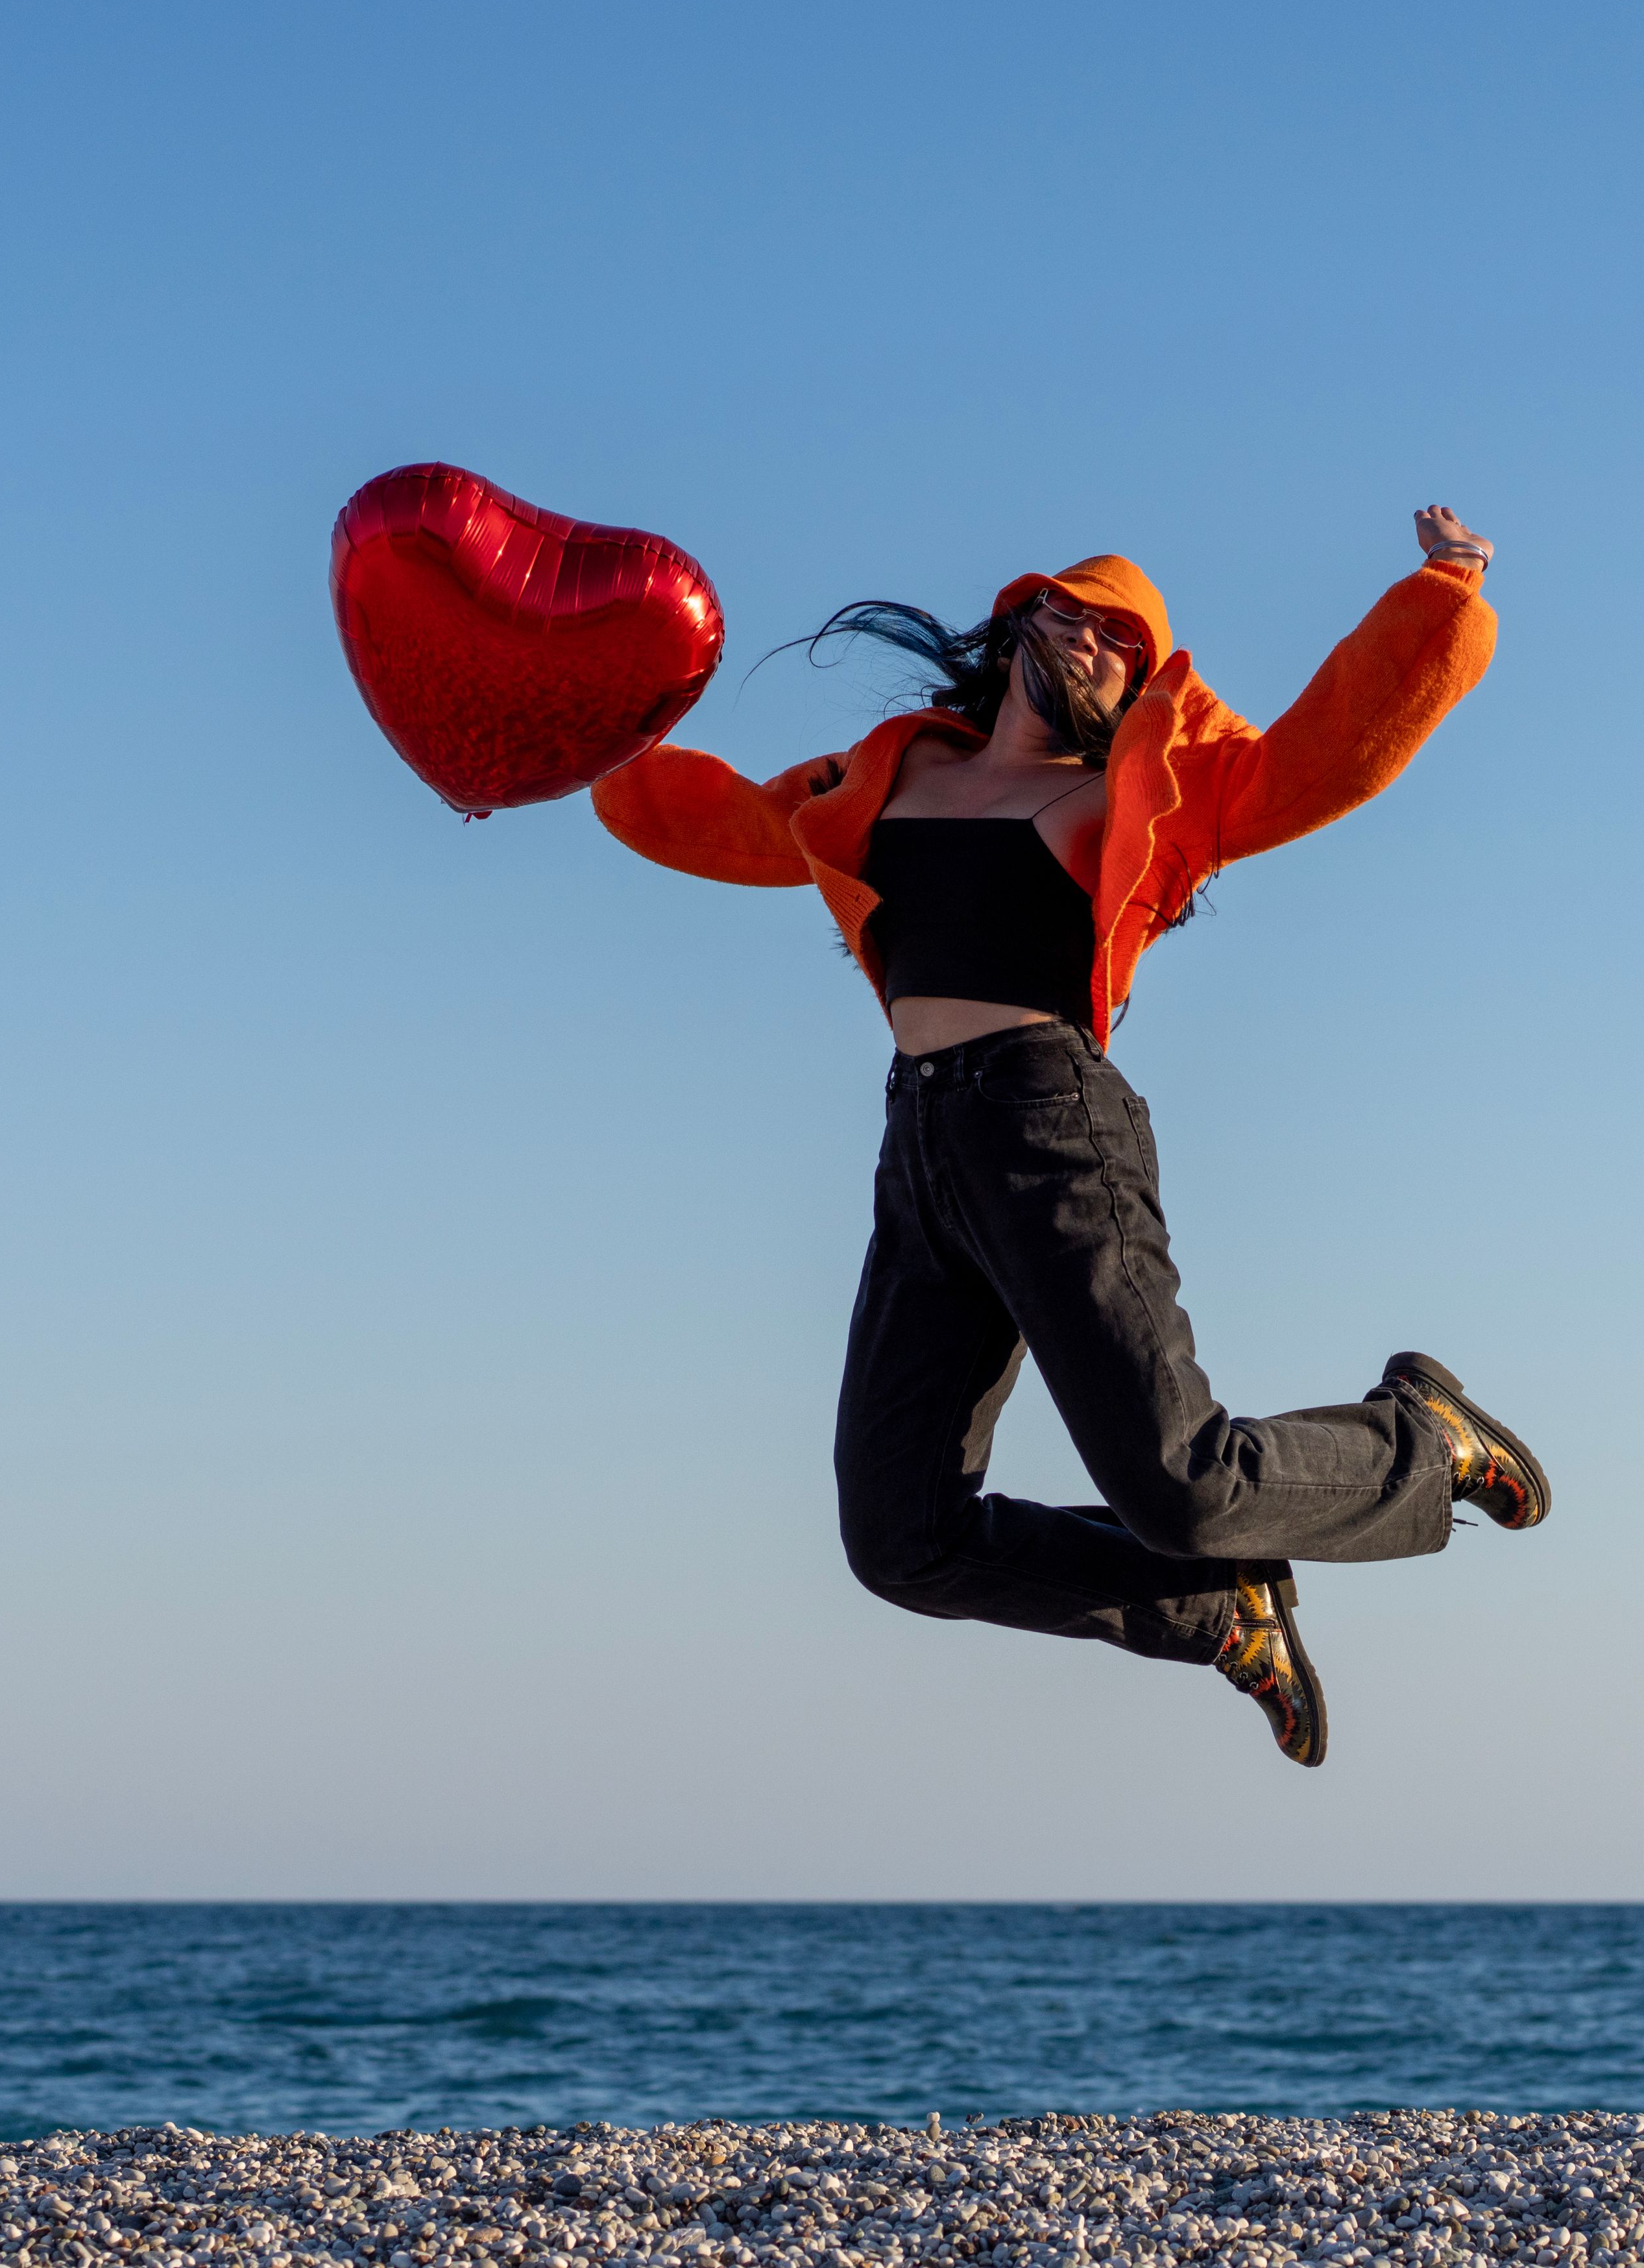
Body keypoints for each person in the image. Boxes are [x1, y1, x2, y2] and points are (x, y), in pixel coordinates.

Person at [587, 504, 1549, 1767]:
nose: (1100, 644)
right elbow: (703, 821)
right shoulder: (887, 773)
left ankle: (1426, 1442)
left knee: (1182, 1486)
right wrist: (552, 747)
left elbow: (1331, 754)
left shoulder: (1136, 794)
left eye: (1128, 645)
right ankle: (1213, 1611)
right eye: (1082, 614)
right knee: (902, 1540)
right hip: (921, 1143)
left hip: (1052, 1123)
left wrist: (1445, 592)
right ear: (1025, 615)